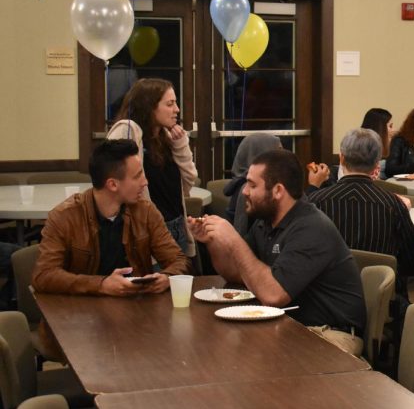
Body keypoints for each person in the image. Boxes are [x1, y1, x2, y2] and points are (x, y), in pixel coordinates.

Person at [187, 149, 366, 356]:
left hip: (331, 335)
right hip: (290, 326)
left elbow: (273, 295)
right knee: (220, 350)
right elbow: (236, 273)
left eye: (253, 185)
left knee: (242, 357)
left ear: (278, 191)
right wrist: (213, 241)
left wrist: (234, 240)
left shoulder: (311, 228)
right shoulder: (266, 222)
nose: (244, 191)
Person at [33, 140, 191, 355]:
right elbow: (43, 275)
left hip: (136, 317)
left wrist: (166, 277)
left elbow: (178, 260)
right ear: (113, 184)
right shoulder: (64, 216)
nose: (145, 182)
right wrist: (102, 284)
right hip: (80, 321)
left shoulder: (145, 211)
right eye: (137, 176)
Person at [309, 128, 414, 282]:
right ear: (376, 163)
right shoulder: (393, 205)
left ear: (341, 158)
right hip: (380, 293)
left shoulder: (316, 201)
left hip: (328, 293)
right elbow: (411, 260)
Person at [107, 78, 198, 257]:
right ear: (149, 106)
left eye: (176, 103)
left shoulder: (167, 138)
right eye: (170, 104)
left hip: (177, 226)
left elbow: (187, 184)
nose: (177, 110)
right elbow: (115, 182)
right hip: (146, 231)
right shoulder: (128, 130)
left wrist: (180, 144)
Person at [223, 132, 283, 235]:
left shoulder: (239, 183)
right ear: (262, 155)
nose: (284, 157)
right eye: (279, 151)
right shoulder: (249, 191)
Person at [360, 107, 393, 180]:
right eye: (390, 126)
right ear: (380, 128)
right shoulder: (365, 149)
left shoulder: (371, 146)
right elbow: (371, 181)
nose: (392, 130)